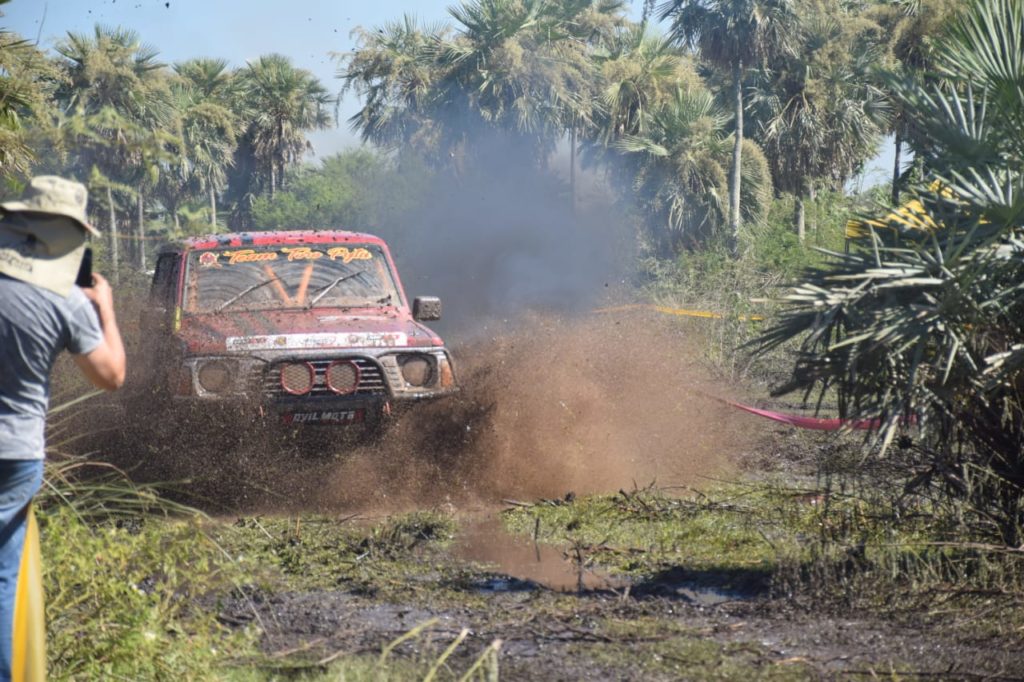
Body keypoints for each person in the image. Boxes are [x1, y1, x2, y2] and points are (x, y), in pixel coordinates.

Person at [0, 176, 126, 679]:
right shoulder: (66, 302)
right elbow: (111, 375)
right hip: (15, 455)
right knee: (3, 576)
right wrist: (107, 312)